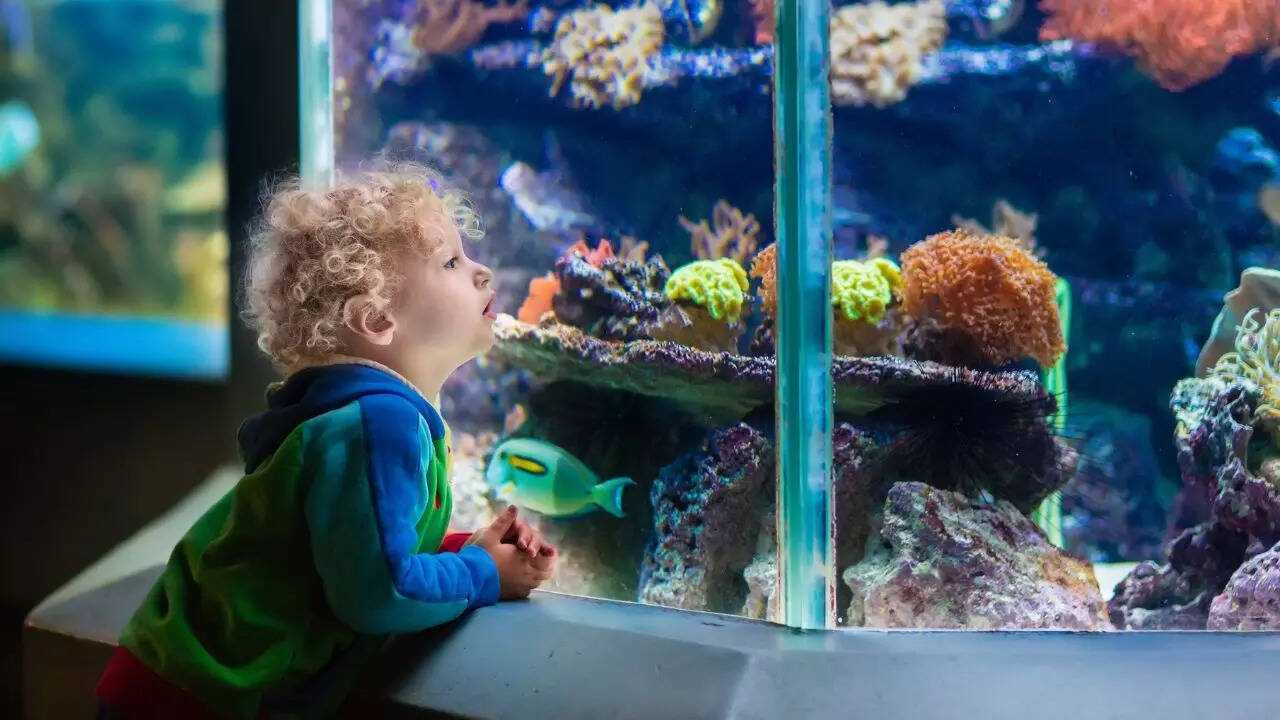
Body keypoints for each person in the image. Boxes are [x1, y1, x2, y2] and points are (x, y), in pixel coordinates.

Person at [94, 163, 557, 719]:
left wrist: (470, 547)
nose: (482, 272)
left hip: (180, 679)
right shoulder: (378, 422)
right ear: (376, 319)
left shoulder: (367, 412)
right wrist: (484, 574)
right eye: (452, 262)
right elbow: (379, 592)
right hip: (200, 697)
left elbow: (354, 548)